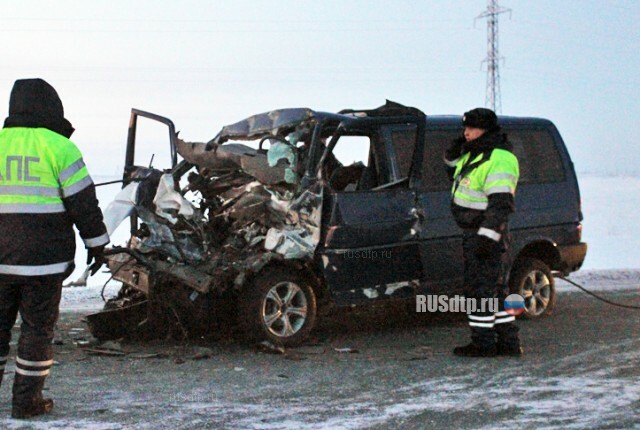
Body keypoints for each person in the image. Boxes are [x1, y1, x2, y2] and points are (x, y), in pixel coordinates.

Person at [0, 78, 109, 418]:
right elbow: (84, 206)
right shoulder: (61, 148)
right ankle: (27, 402)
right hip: (45, 264)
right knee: (36, 331)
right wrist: (97, 244)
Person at [444, 107, 522, 357]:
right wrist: (455, 149)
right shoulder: (476, 152)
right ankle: (508, 343)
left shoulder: (499, 158)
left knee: (479, 290)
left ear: (486, 130)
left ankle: (483, 343)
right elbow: (453, 172)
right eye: (464, 128)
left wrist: (487, 238)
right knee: (494, 291)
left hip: (485, 234)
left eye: (471, 128)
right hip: (474, 232)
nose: (466, 133)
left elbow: (501, 205)